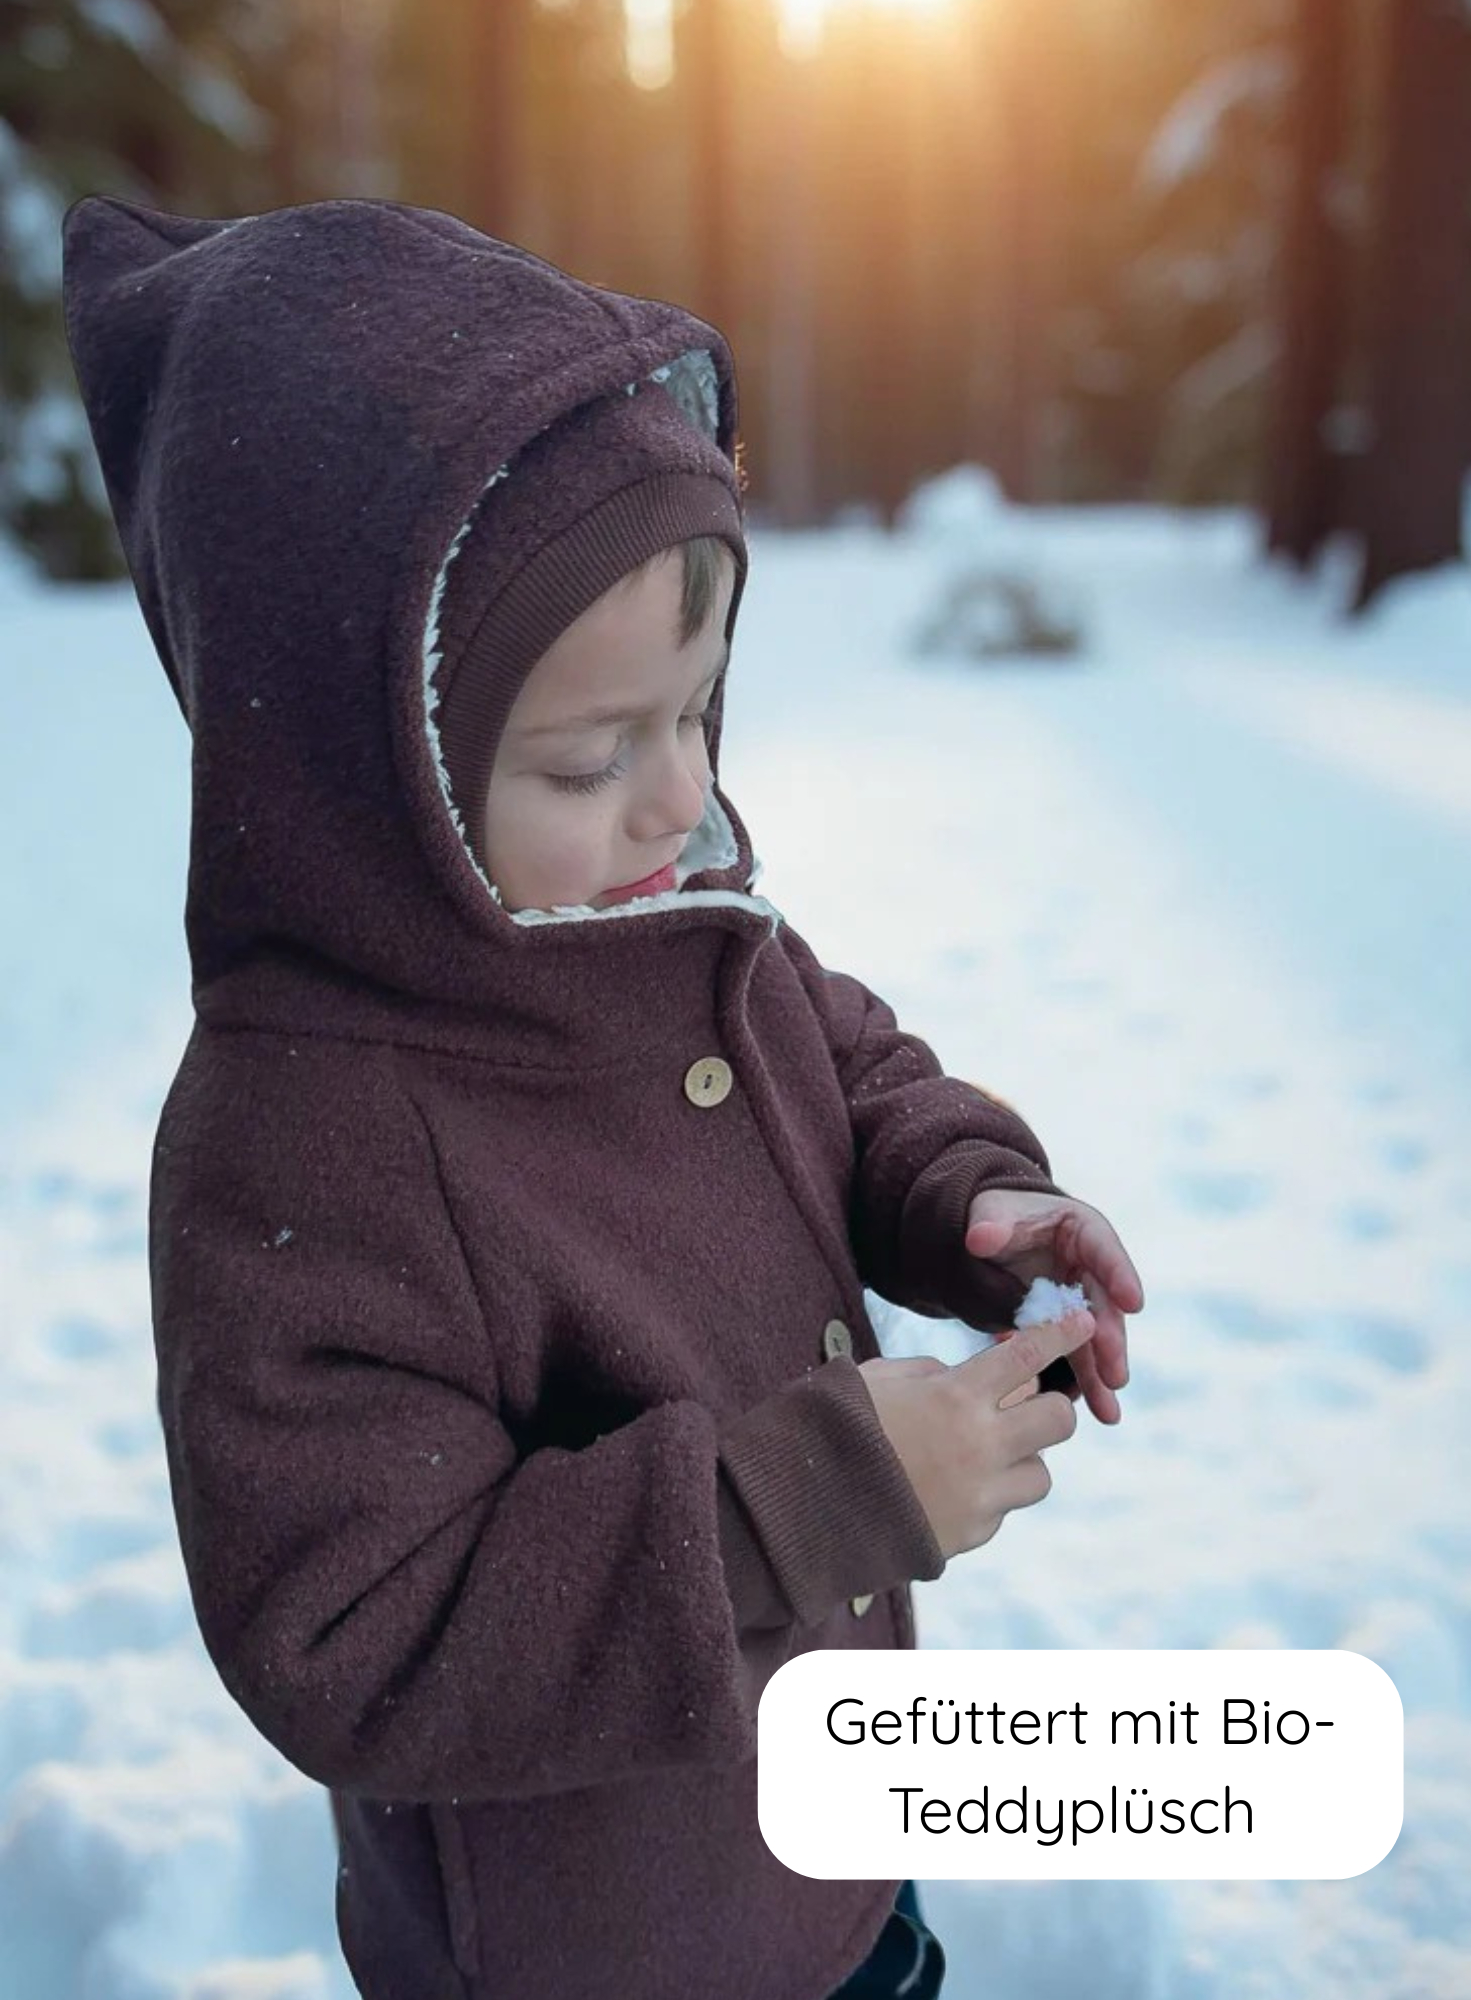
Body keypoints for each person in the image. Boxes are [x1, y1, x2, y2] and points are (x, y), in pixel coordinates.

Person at [60, 192, 1144, 2000]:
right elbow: (355, 1628)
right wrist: (821, 1493)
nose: (675, 802)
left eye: (700, 713)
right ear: (353, 771)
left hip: (828, 1869)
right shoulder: (309, 1134)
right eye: (588, 754)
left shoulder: (643, 901)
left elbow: (838, 1057)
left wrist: (965, 1193)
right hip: (603, 1947)